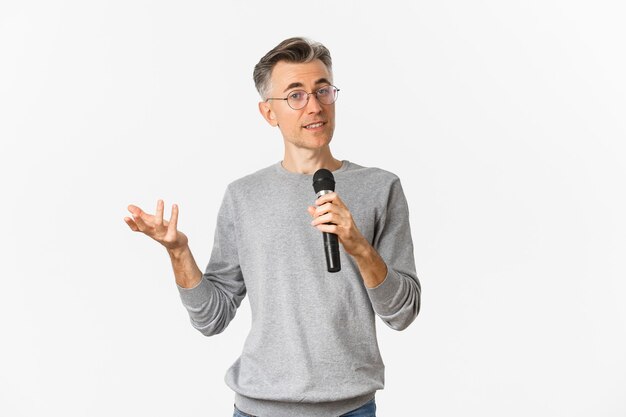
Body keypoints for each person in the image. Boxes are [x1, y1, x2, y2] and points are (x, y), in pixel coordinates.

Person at [124, 37, 421, 417]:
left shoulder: (381, 188)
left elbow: (404, 312)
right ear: (269, 113)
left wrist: (358, 245)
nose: (314, 106)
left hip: (351, 407)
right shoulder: (243, 196)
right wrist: (178, 252)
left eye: (323, 90)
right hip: (258, 408)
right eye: (295, 95)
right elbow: (212, 318)